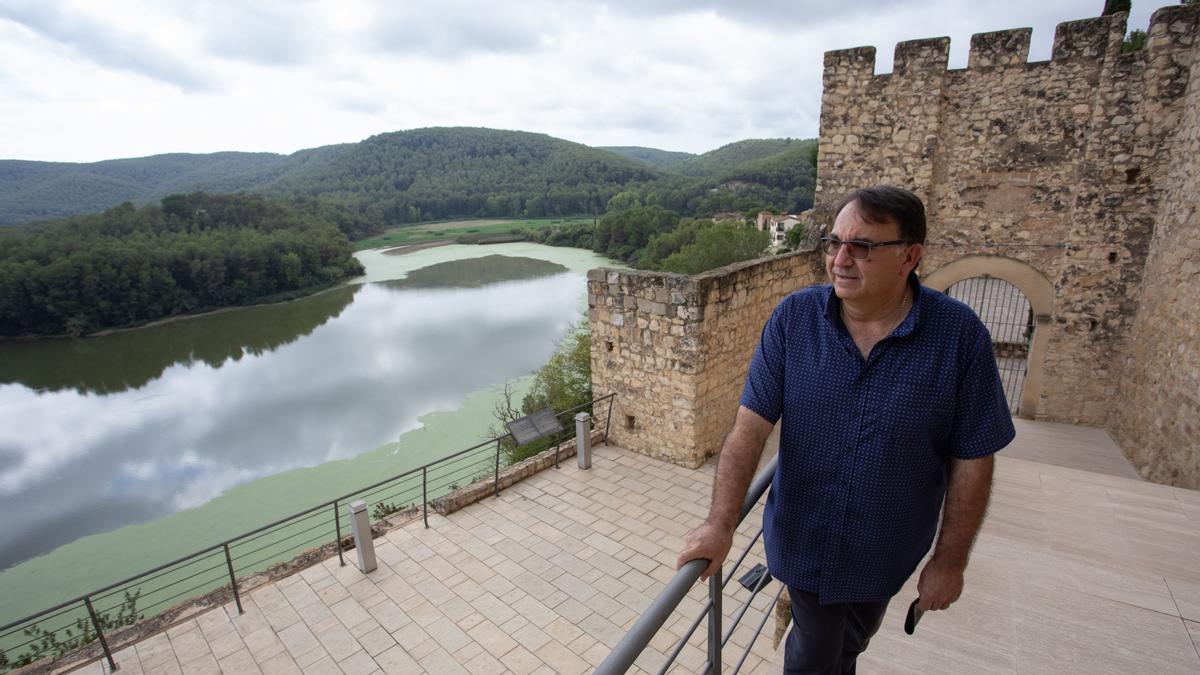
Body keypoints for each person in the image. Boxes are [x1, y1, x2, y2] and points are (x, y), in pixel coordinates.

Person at [676, 185, 1015, 674]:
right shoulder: (795, 320)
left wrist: (949, 562)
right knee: (814, 655)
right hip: (803, 544)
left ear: (909, 256)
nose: (840, 259)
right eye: (835, 243)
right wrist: (719, 523)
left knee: (849, 643)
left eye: (863, 246)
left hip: (885, 553)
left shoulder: (959, 338)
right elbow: (748, 429)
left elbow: (974, 456)